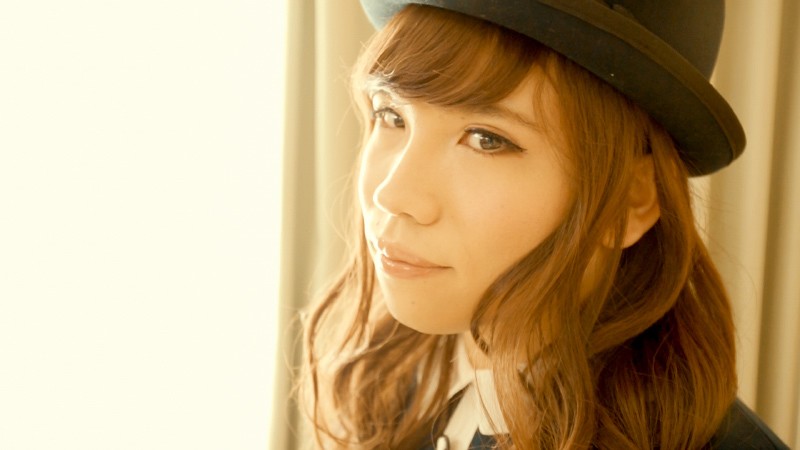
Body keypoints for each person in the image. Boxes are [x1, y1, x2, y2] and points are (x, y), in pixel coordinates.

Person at [300, 1, 790, 448]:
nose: (393, 195)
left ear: (630, 201)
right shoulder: (397, 385)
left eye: (486, 139)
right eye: (391, 116)